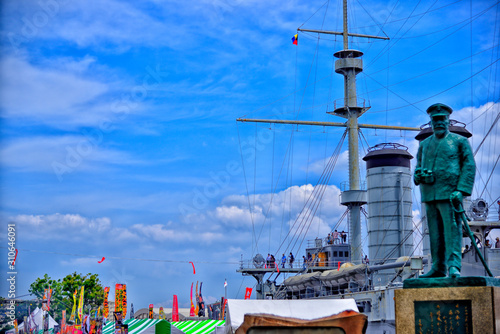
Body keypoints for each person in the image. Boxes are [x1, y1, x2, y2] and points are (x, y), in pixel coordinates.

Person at [414, 103, 475, 278]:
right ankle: (438, 267)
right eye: (435, 119)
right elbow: (418, 167)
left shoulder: (459, 141)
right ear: (431, 122)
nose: (439, 122)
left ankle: (454, 266)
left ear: (448, 120)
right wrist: (418, 176)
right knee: (434, 234)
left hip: (450, 194)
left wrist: (461, 190)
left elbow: (469, 166)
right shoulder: (424, 145)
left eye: (442, 119)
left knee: (452, 231)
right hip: (430, 194)